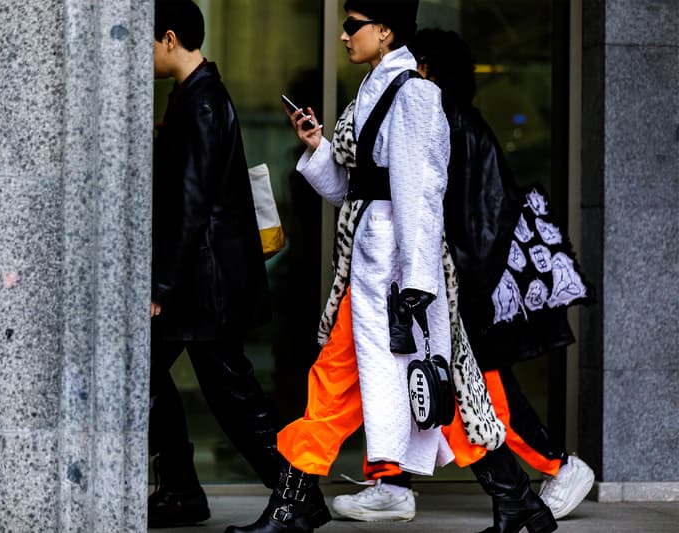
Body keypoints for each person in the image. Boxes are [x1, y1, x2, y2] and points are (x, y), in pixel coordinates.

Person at [331, 28, 592, 529]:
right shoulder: (445, 119)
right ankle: (394, 483)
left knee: (482, 399)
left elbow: (471, 220)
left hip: (464, 291)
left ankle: (556, 469)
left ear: (427, 69)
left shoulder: (449, 122)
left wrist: (448, 292)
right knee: (426, 389)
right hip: (455, 289)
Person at [225, 1, 455, 532]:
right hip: (373, 268)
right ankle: (516, 497)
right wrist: (318, 147)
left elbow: (420, 194)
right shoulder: (375, 89)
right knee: (362, 387)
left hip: (395, 275)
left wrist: (418, 282)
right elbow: (358, 193)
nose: (345, 36)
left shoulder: (414, 94)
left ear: (386, 30)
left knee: (400, 391)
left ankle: (295, 503)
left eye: (354, 26)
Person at [149, 0, 280, 527]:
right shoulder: (191, 95)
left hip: (202, 286)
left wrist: (159, 284)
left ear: (170, 38)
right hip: (199, 283)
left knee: (234, 397)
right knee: (154, 376)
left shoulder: (202, 101)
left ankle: (296, 494)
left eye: (146, 42)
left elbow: (191, 202)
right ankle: (183, 492)